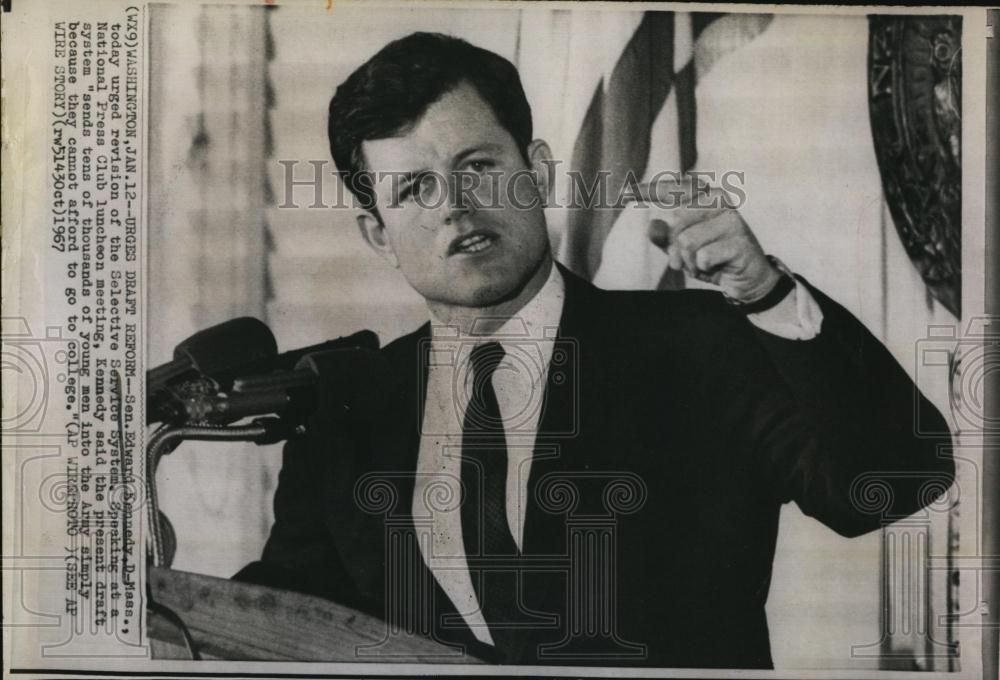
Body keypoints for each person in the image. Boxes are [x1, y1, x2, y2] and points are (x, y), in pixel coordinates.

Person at [235, 32, 954, 668]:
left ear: (539, 171)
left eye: (478, 165)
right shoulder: (351, 409)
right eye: (414, 187)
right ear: (376, 234)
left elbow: (896, 479)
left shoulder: (697, 347)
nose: (454, 203)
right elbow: (287, 620)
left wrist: (766, 294)